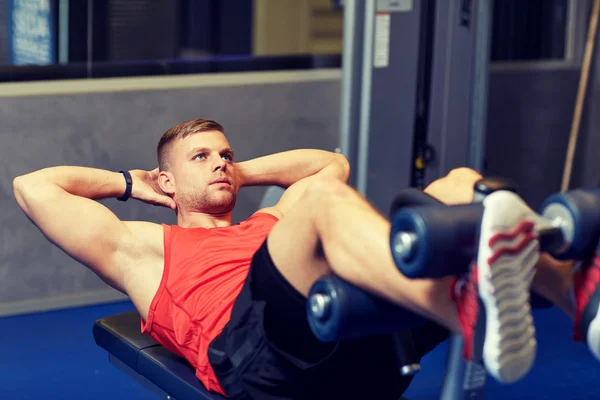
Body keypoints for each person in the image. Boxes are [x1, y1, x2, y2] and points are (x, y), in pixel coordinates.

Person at [12, 118, 600, 400]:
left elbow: (329, 164)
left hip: (343, 329)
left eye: (226, 154)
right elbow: (33, 187)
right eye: (201, 157)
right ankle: (468, 310)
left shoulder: (268, 225)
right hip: (256, 355)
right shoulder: (142, 248)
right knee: (321, 203)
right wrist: (131, 184)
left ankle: (582, 302)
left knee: (462, 186)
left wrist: (240, 171)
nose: (220, 162)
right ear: (166, 177)